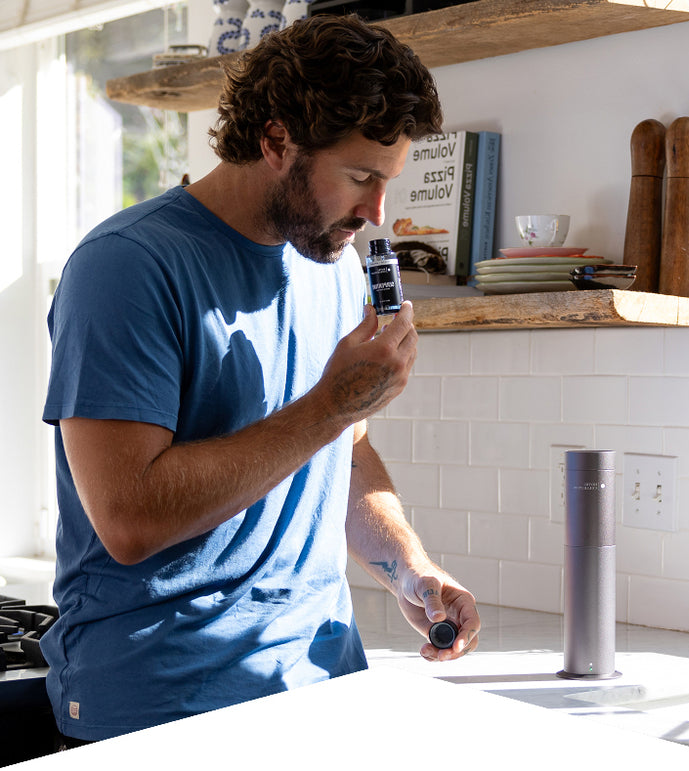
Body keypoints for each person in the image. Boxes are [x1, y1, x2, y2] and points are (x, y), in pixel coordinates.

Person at [42, 13, 481, 745]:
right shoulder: (126, 267)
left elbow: (343, 455)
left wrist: (409, 567)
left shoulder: (335, 267)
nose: (377, 212)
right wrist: (331, 405)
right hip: (165, 706)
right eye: (361, 177)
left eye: (388, 181)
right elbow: (129, 519)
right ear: (277, 142)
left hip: (322, 684)